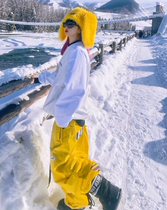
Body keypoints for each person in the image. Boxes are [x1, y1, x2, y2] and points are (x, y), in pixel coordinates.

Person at [32, 8, 122, 210]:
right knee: (75, 162)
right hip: (74, 119)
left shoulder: (78, 53)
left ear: (82, 28)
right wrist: (39, 78)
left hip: (68, 119)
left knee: (63, 166)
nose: (66, 27)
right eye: (65, 23)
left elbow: (75, 88)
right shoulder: (74, 51)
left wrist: (62, 119)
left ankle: (107, 191)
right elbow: (60, 79)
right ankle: (77, 202)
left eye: (71, 24)